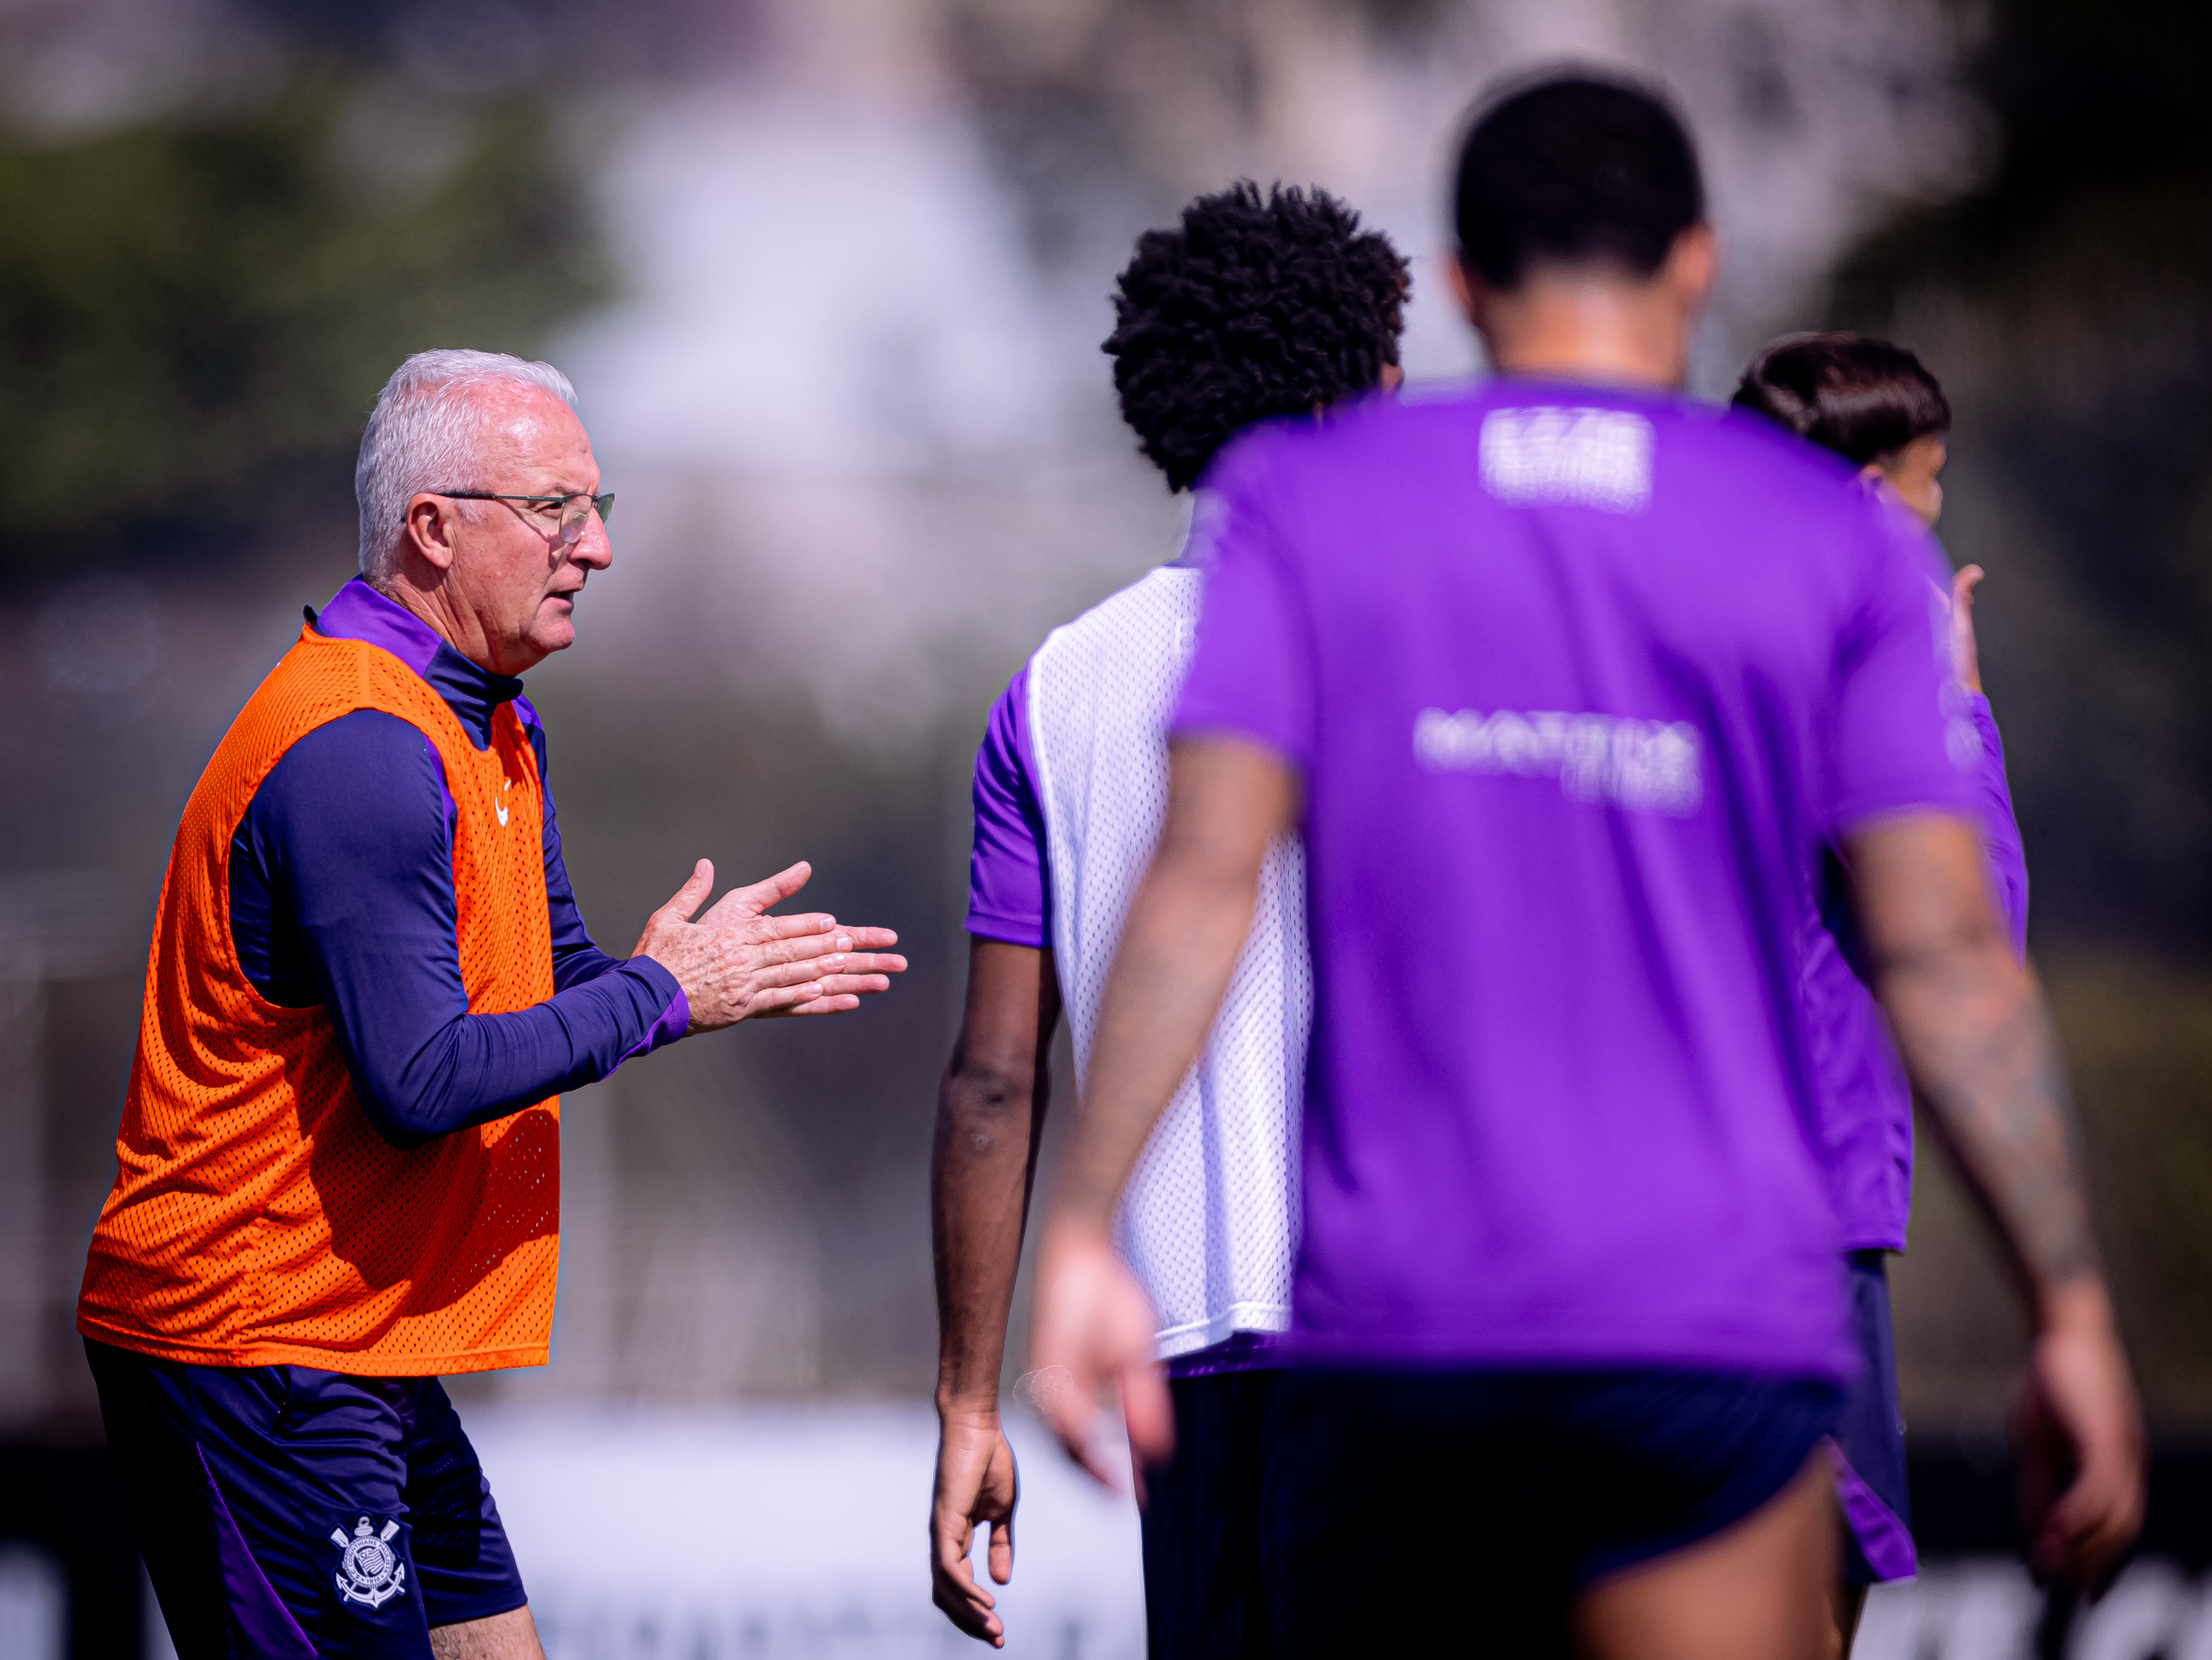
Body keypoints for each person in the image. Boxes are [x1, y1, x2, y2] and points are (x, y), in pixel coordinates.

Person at [1023, 72, 2143, 1659]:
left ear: (1465, 283)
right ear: (1697, 261)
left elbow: (1201, 880)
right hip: (1711, 1328)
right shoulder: (1830, 538)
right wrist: (2069, 1306)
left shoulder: (1310, 506)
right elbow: (1946, 953)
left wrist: (1083, 1231)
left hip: (1408, 1332)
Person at [76, 350, 908, 1660]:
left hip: (360, 1338)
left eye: (601, 507)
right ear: (433, 528)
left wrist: (686, 979)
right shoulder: (358, 745)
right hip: (251, 1345)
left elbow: (561, 992)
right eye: (557, 509)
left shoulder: (489, 726)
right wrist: (659, 997)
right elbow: (422, 1079)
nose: (599, 549)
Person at [928, 181, 1410, 1653]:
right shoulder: (1440, 636)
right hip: (1409, 1344)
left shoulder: (1057, 687)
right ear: (1364, 392)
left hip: (1175, 1367)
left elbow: (996, 1080)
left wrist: (965, 1394)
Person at [1736, 333, 2031, 1652]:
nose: (1935, 513)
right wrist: (1960, 709)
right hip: (1805, 1204)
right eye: (1930, 480)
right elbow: (1968, 927)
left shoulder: (1693, 626)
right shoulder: (1862, 630)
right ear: (1865, 491)